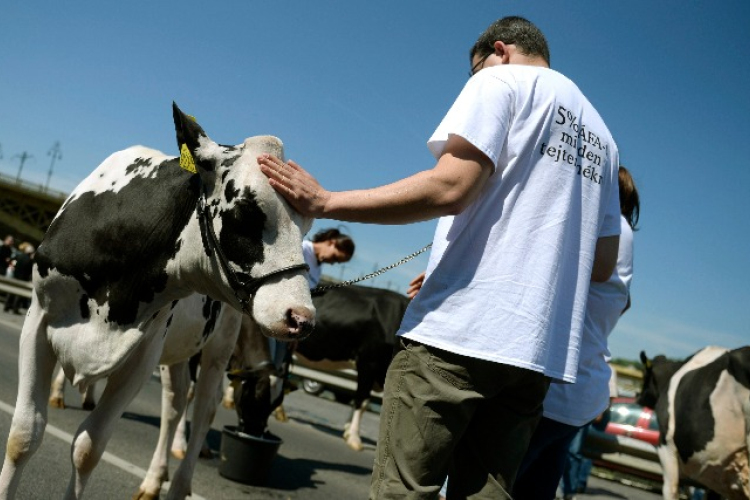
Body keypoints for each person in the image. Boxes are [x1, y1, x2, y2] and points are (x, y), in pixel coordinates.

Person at [259, 16, 621, 499]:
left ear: (500, 50)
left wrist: (326, 202)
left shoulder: (501, 82)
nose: (475, 83)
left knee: (404, 490)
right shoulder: (603, 138)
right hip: (536, 356)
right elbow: (601, 265)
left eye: (476, 72)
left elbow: (451, 186)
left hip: (461, 334)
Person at [512, 165, 639, 500]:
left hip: (555, 391)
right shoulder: (624, 240)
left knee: (484, 485)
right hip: (581, 392)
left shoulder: (607, 229)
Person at [3, 242, 35, 314]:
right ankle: (15, 308)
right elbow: (30, 271)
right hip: (23, 278)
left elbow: (11, 260)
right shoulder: (29, 260)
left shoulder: (20, 256)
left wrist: (13, 267)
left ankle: (6, 306)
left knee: (11, 292)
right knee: (18, 295)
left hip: (15, 276)